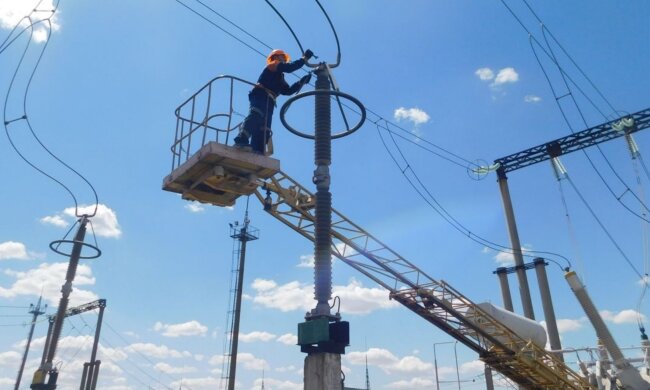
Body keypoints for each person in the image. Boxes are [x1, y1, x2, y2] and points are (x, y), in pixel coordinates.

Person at [234, 48, 314, 154]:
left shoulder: (280, 77)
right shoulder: (272, 65)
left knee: (264, 127)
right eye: (283, 57)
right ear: (275, 57)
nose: (285, 60)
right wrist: (304, 59)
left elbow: (288, 91)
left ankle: (258, 150)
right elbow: (290, 68)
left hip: (269, 101)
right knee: (256, 114)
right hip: (260, 94)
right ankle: (241, 139)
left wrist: (301, 82)